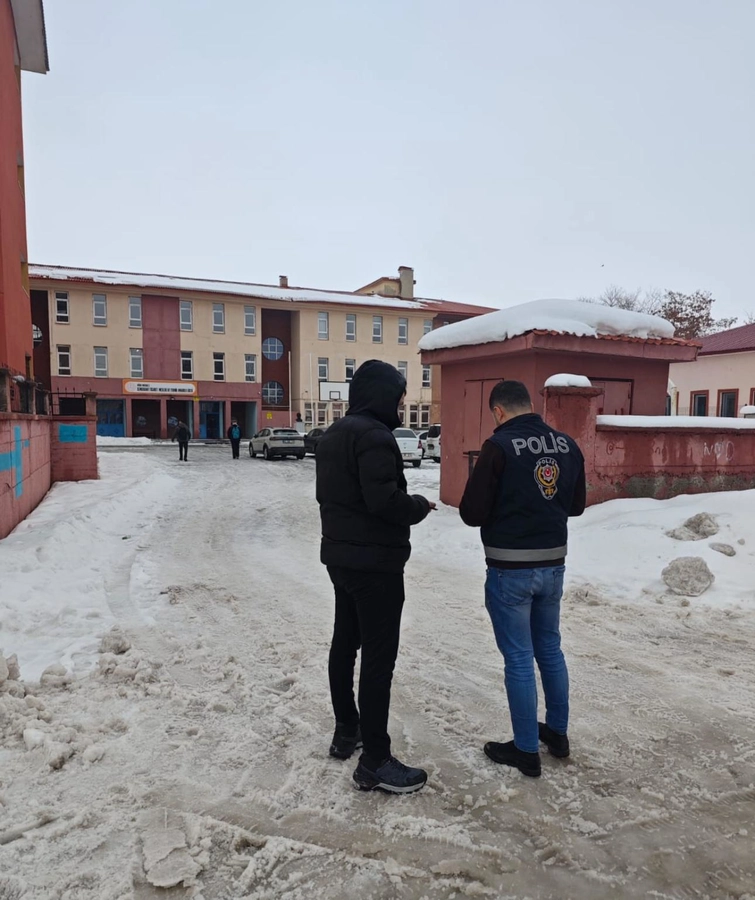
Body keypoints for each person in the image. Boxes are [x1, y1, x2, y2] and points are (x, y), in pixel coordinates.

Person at [316, 360, 435, 794]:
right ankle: (375, 760)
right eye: (399, 399)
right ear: (383, 395)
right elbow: (384, 501)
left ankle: (347, 730)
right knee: (378, 659)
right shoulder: (375, 436)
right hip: (376, 566)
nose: (401, 407)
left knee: (344, 643)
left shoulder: (334, 434)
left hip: (341, 559)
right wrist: (418, 505)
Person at [459, 380, 586, 778]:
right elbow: (577, 506)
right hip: (553, 564)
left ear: (498, 411)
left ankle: (526, 749)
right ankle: (558, 735)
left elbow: (471, 512)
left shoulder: (498, 447)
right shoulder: (567, 445)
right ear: (530, 405)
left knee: (518, 657)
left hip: (510, 567)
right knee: (550, 649)